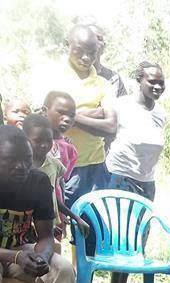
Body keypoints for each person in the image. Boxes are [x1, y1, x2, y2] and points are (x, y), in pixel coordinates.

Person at [0, 126, 77, 283]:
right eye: (10, 160)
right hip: (12, 254)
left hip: (20, 249)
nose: (20, 167)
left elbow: (45, 234)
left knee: (62, 269)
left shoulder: (38, 181)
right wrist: (16, 257)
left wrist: (42, 258)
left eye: (25, 159)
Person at [105, 61, 167, 283]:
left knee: (140, 231)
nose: (157, 86)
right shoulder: (122, 106)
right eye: (152, 81)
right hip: (122, 175)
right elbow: (109, 135)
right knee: (122, 231)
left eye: (161, 82)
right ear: (139, 80)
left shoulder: (160, 114)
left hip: (147, 180)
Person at [53, 25, 117, 209]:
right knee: (58, 229)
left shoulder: (104, 85)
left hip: (96, 168)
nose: (86, 58)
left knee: (93, 231)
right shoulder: (53, 78)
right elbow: (49, 121)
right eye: (80, 51)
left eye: (92, 52)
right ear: (68, 45)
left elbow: (111, 127)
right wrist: (96, 113)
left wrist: (70, 115)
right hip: (61, 168)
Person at [41, 91, 78, 185]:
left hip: (55, 196)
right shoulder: (33, 142)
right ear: (44, 111)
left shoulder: (69, 149)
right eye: (61, 112)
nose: (67, 119)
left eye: (72, 115)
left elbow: (64, 177)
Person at [88, 24, 128, 98]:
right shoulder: (72, 76)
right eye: (90, 37)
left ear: (104, 46)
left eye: (99, 38)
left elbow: (124, 107)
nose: (94, 42)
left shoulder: (114, 78)